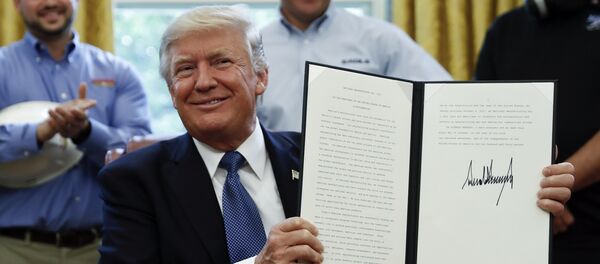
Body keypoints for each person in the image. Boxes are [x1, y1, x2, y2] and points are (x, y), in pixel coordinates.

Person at [98, 5, 575, 264]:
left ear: (261, 78)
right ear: (170, 88)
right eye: (185, 69)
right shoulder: (134, 179)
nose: (203, 81)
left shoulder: (330, 151)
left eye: (222, 62)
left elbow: (430, 198)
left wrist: (519, 180)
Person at [0, 0, 151, 262]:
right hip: (14, 250)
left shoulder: (118, 72)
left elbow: (139, 157)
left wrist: (87, 133)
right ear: (16, 4)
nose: (50, 3)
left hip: (102, 249)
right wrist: (40, 133)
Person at [474, 1, 600, 263]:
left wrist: (556, 187)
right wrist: (532, 201)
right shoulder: (504, 29)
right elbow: (481, 124)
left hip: (588, 228)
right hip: (513, 228)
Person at [257, 0, 453, 132]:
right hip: (277, 179)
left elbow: (444, 97)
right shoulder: (253, 47)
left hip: (363, 175)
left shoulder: (380, 38)